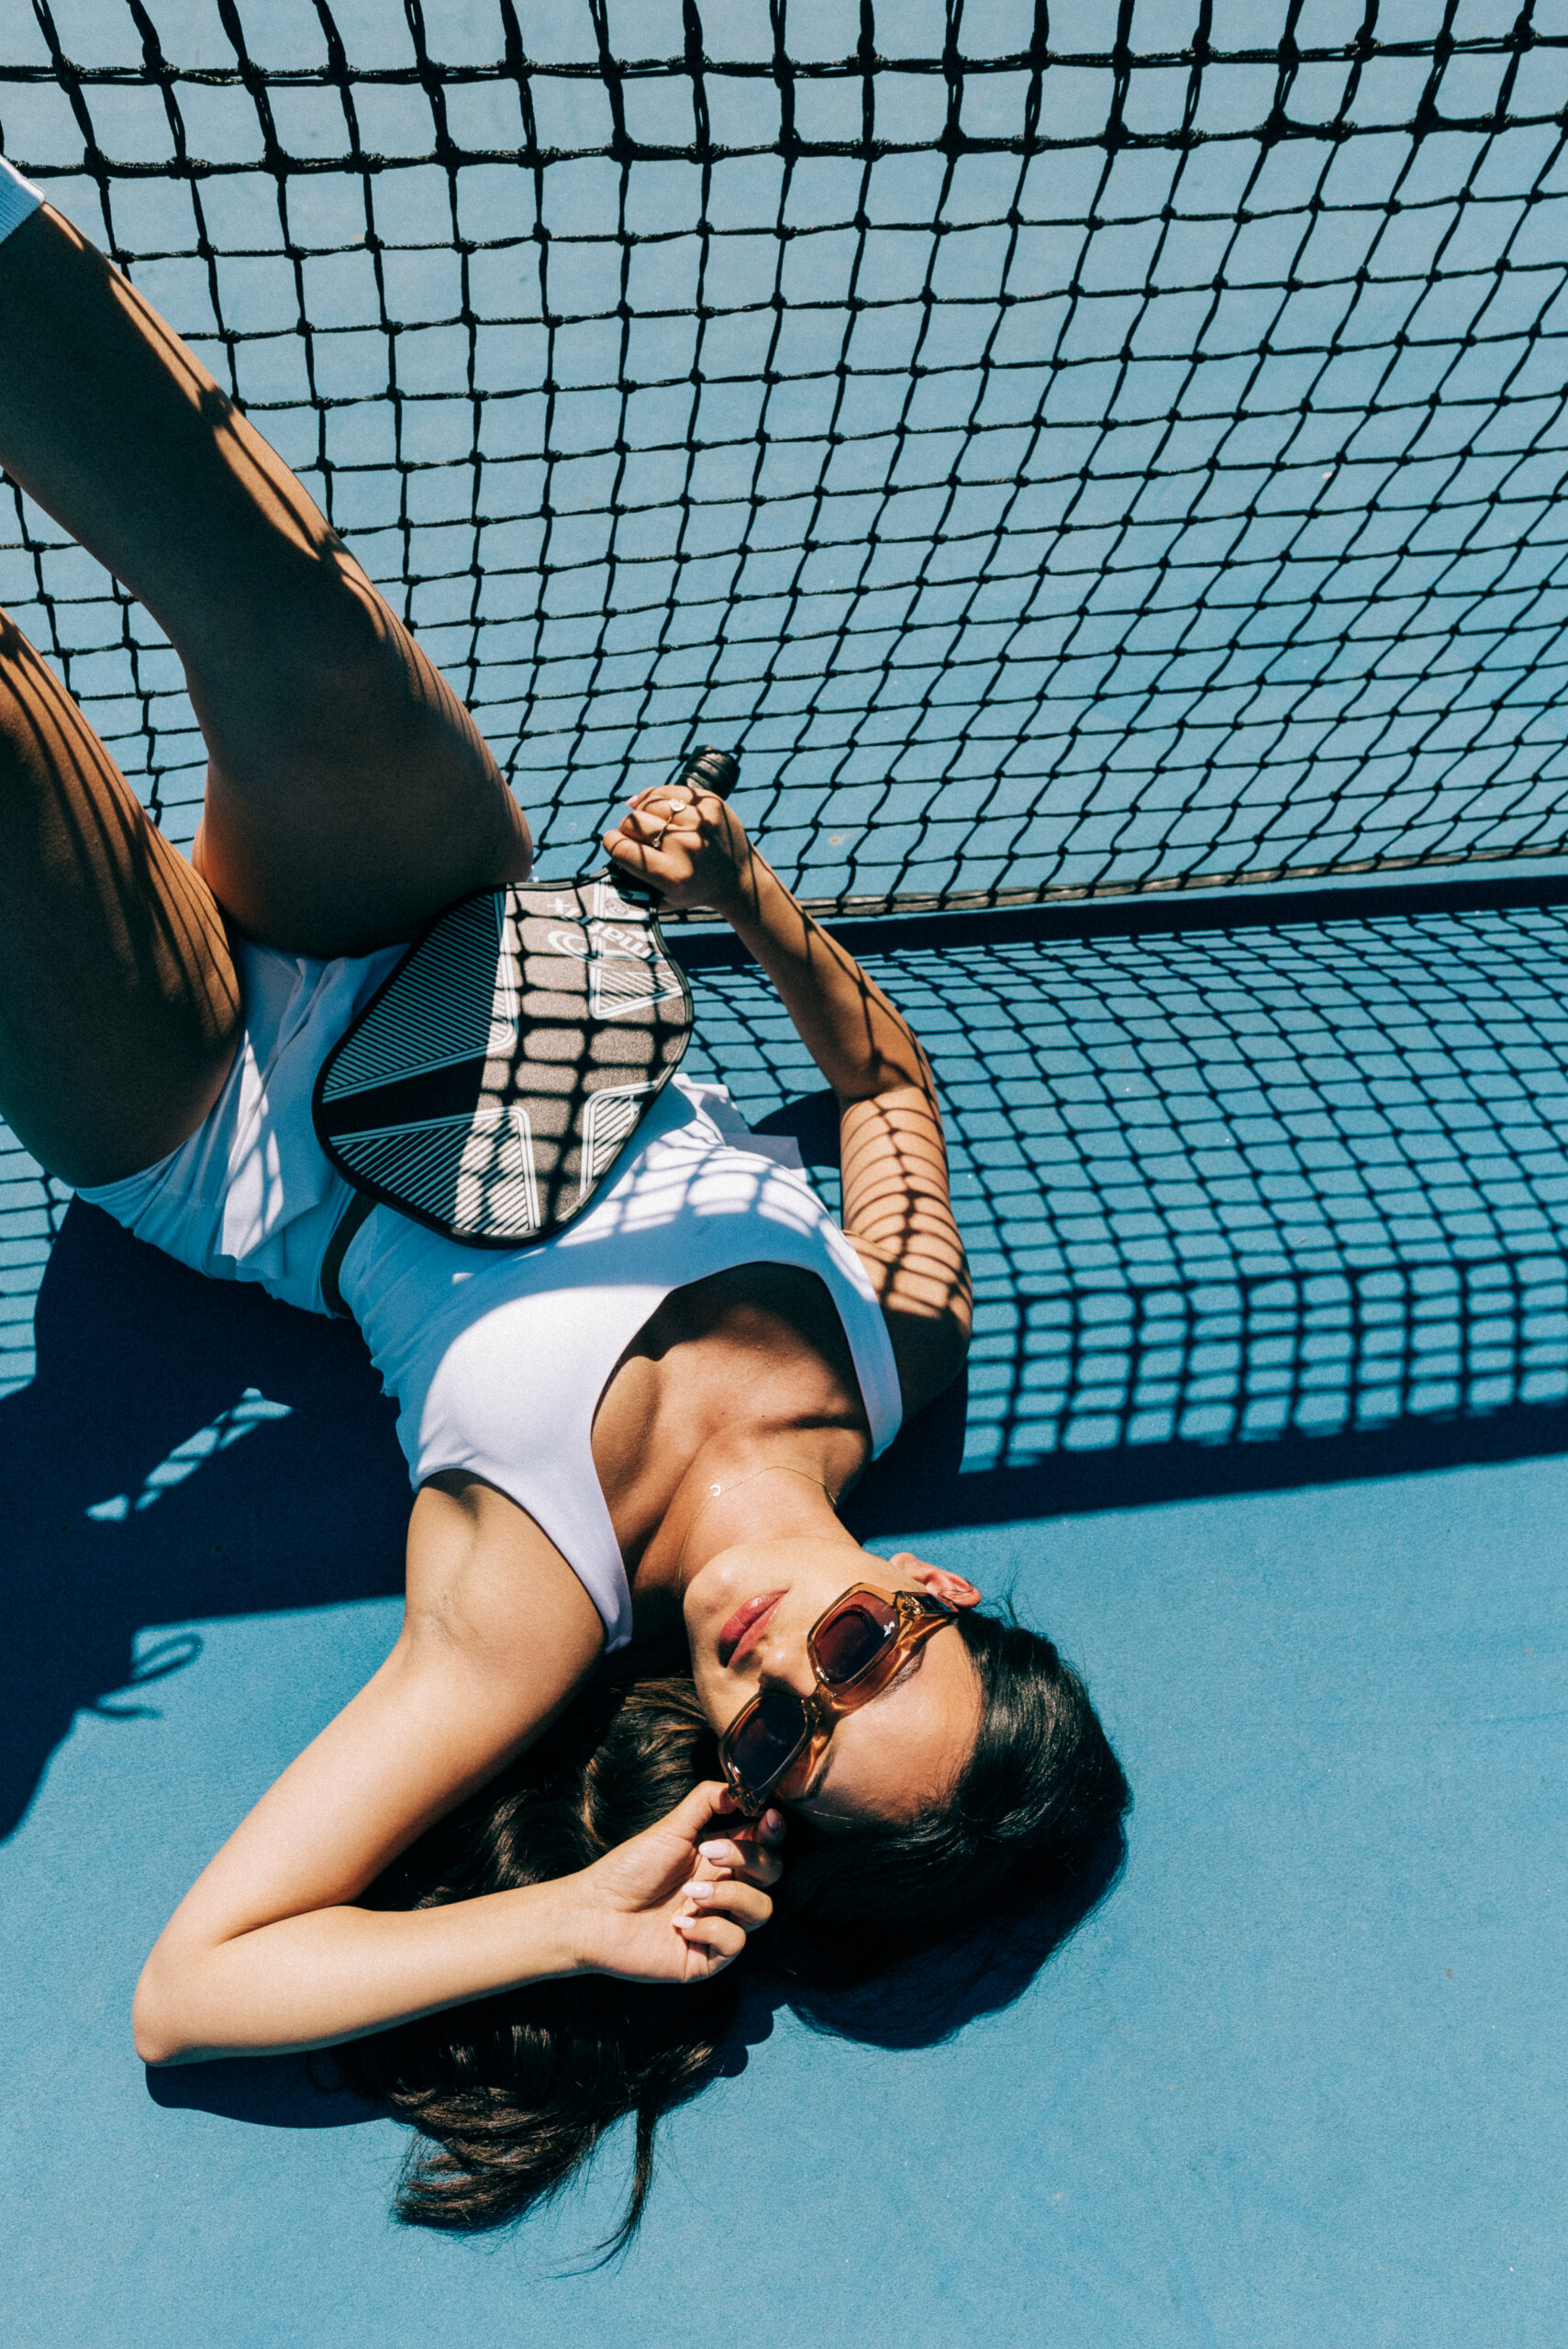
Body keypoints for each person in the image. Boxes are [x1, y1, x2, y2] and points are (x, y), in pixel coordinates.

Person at [0, 161, 1128, 2238]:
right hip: (433, 937)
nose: (787, 1661)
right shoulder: (896, 1340)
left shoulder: (535, 1607)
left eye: (781, 1741)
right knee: (312, 644)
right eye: (863, 1657)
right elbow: (887, 1084)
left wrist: (575, 1924)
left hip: (222, 1127)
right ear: (942, 1594)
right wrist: (752, 902)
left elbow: (194, 1993)